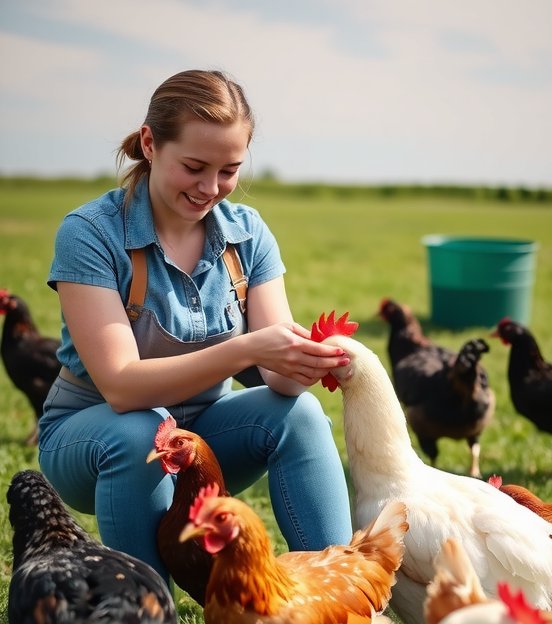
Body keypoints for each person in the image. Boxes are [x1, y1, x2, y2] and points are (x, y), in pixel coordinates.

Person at [38, 68, 354, 583]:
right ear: (150, 143)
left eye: (229, 170)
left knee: (300, 414)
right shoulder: (91, 233)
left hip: (202, 433)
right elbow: (119, 385)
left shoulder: (247, 235)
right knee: (137, 429)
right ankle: (147, 623)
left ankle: (336, 598)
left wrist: (306, 360)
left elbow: (278, 380)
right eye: (194, 166)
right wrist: (247, 348)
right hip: (93, 433)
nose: (211, 188)